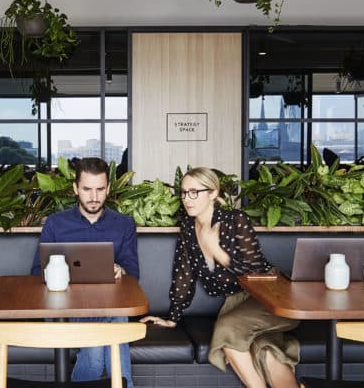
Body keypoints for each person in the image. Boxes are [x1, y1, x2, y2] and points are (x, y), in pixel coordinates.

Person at [141, 167, 300, 388]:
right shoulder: (188, 227)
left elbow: (256, 269)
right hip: (237, 303)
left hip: (272, 297)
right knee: (265, 349)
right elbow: (183, 276)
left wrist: (218, 252)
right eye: (184, 192)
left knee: (227, 329)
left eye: (194, 192)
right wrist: (172, 318)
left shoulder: (235, 220)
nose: (187, 199)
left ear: (213, 193)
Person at [30, 157, 138, 387]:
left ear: (108, 188)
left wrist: (121, 270)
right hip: (64, 309)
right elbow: (36, 272)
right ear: (75, 188)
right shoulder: (56, 224)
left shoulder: (124, 224)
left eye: (100, 189)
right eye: (87, 189)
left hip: (106, 305)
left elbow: (134, 274)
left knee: (100, 340)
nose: (94, 196)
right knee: (116, 322)